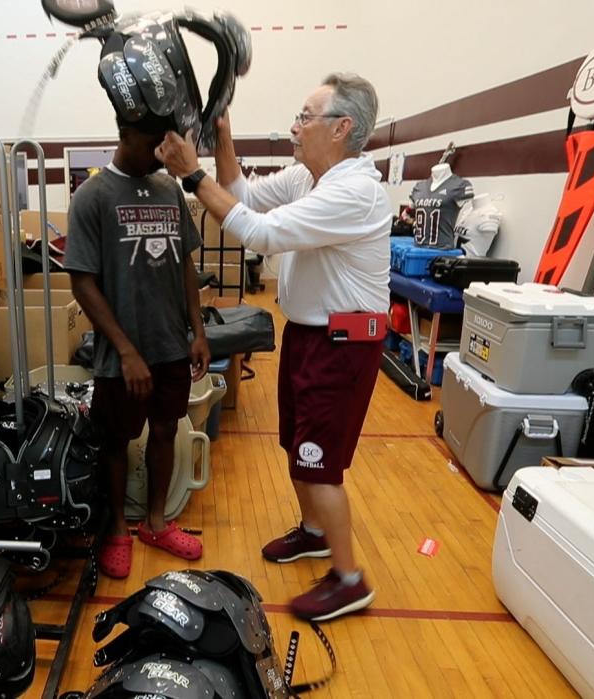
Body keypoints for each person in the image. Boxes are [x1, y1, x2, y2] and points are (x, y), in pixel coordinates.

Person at [155, 73, 391, 621]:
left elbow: (258, 234)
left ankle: (350, 579)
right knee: (296, 443)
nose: (295, 126)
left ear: (342, 127)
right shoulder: (311, 176)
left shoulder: (353, 192)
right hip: (311, 334)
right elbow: (244, 196)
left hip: (344, 345)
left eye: (306, 117)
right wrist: (223, 139)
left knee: (319, 462)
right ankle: (314, 533)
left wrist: (192, 173)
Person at [65, 113, 211, 580]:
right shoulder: (92, 196)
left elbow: (185, 264)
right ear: (124, 135)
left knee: (166, 429)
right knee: (116, 440)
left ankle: (155, 523)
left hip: (171, 344)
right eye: (153, 143)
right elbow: (82, 282)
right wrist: (125, 350)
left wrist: (198, 329)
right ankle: (116, 532)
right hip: (120, 355)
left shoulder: (170, 189)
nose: (161, 152)